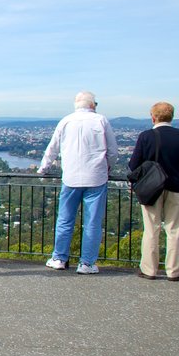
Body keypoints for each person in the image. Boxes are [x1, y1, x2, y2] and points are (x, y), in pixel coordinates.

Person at [38, 91, 118, 274]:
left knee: (65, 220)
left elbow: (52, 148)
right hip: (97, 178)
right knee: (92, 222)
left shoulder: (66, 121)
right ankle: (87, 263)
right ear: (93, 105)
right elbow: (113, 150)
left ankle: (59, 258)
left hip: (71, 177)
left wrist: (44, 169)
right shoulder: (101, 120)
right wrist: (107, 168)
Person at [127, 102, 179, 281]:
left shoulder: (146, 136)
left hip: (151, 189)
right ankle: (174, 271)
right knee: (174, 229)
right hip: (177, 186)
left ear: (153, 117)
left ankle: (149, 269)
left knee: (151, 229)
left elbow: (133, 165)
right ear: (172, 117)